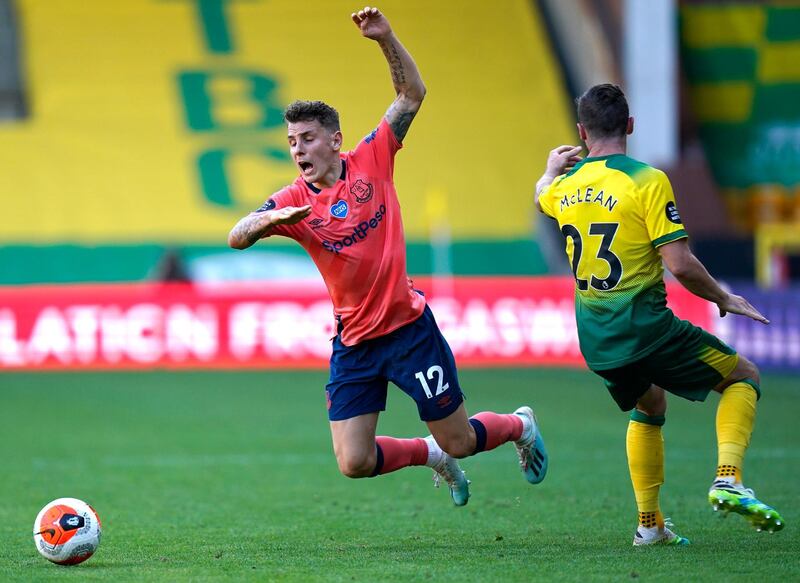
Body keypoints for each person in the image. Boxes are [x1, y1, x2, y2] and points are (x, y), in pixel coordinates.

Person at [228, 6, 548, 506]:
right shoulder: (291, 201)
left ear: (334, 140)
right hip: (355, 342)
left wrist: (385, 39)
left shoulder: (373, 158)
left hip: (408, 331)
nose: (298, 150)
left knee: (461, 439)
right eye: (291, 142)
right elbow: (237, 235)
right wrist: (266, 221)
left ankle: (519, 425)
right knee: (353, 462)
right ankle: (430, 456)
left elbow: (411, 95)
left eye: (307, 139)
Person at [534, 84, 784, 545]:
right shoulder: (646, 180)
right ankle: (728, 478)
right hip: (644, 327)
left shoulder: (564, 187)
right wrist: (722, 298)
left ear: (581, 133)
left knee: (650, 403)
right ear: (629, 125)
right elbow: (680, 264)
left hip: (596, 339)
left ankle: (649, 527)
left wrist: (549, 171)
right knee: (743, 377)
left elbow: (541, 195)